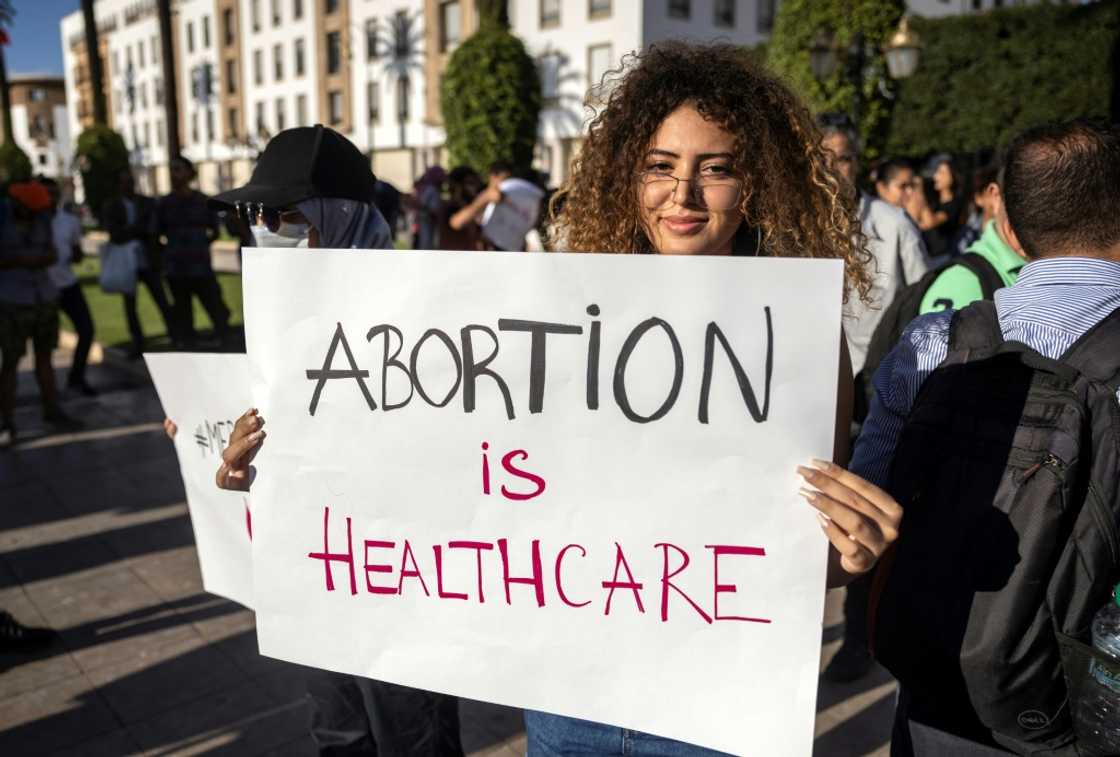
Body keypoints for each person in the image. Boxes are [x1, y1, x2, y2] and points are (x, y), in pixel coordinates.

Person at [219, 42, 901, 755]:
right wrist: (273, 476)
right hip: (572, 707)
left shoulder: (801, 344)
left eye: (717, 169)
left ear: (756, 180)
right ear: (628, 176)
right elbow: (447, 481)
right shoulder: (558, 316)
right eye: (660, 166)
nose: (684, 195)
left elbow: (806, 553)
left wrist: (850, 556)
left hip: (714, 710)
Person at [855, 120, 1120, 755]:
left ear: (1013, 228)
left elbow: (866, 508)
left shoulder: (932, 342)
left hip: (935, 695)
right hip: (1085, 713)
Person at [206, 125, 457, 757]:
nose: (266, 230)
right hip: (316, 578)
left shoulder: (430, 318)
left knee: (412, 738)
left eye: (283, 215)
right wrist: (222, 458)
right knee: (339, 736)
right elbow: (259, 457)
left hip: (401, 585)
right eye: (258, 216)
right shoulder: (274, 322)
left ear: (339, 215)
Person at [818, 116, 931, 683]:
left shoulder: (892, 226)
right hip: (818, 388)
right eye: (821, 158)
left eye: (840, 158)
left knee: (862, 514)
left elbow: (925, 307)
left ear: (856, 163)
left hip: (878, 387)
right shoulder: (793, 222)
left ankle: (858, 640)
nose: (830, 169)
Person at [0, 180, 82, 445]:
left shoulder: (42, 217)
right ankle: (6, 422)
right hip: (12, 300)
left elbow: (51, 254)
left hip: (43, 297)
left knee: (45, 356)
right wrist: (25, 260)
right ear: (18, 205)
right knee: (10, 362)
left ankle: (52, 410)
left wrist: (30, 259)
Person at [916, 159, 1026, 315]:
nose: (936, 176)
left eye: (941, 172)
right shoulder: (961, 281)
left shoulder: (953, 204)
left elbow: (929, 222)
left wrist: (920, 193)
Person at [156, 156, 230, 349]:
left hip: (201, 268)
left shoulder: (202, 201)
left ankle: (224, 342)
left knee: (216, 308)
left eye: (179, 169)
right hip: (176, 270)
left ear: (190, 173)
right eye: (172, 169)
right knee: (183, 314)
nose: (174, 174)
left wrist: (200, 244)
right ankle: (188, 346)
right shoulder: (165, 204)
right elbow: (155, 234)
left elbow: (214, 230)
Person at [102, 169, 175, 358]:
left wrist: (133, 230)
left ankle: (175, 335)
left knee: (161, 299)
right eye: (123, 182)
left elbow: (152, 229)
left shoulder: (147, 203)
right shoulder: (112, 206)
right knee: (130, 305)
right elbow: (116, 234)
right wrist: (137, 230)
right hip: (127, 263)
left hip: (148, 260)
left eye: (130, 182)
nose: (127, 186)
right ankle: (137, 341)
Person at [43, 178, 96, 396]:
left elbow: (76, 252)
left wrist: (76, 254)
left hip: (67, 283)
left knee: (86, 329)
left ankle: (77, 377)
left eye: (55, 193)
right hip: (43, 289)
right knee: (45, 343)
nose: (51, 197)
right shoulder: (33, 222)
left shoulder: (69, 221)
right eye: (47, 193)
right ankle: (48, 390)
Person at [438, 165, 484, 251]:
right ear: (457, 186)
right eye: (470, 183)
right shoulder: (450, 207)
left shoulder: (469, 208)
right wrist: (484, 199)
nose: (475, 188)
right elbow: (457, 222)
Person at [412, 165, 446, 250]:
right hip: (427, 223)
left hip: (425, 222)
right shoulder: (432, 190)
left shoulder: (427, 189)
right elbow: (433, 209)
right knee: (427, 246)